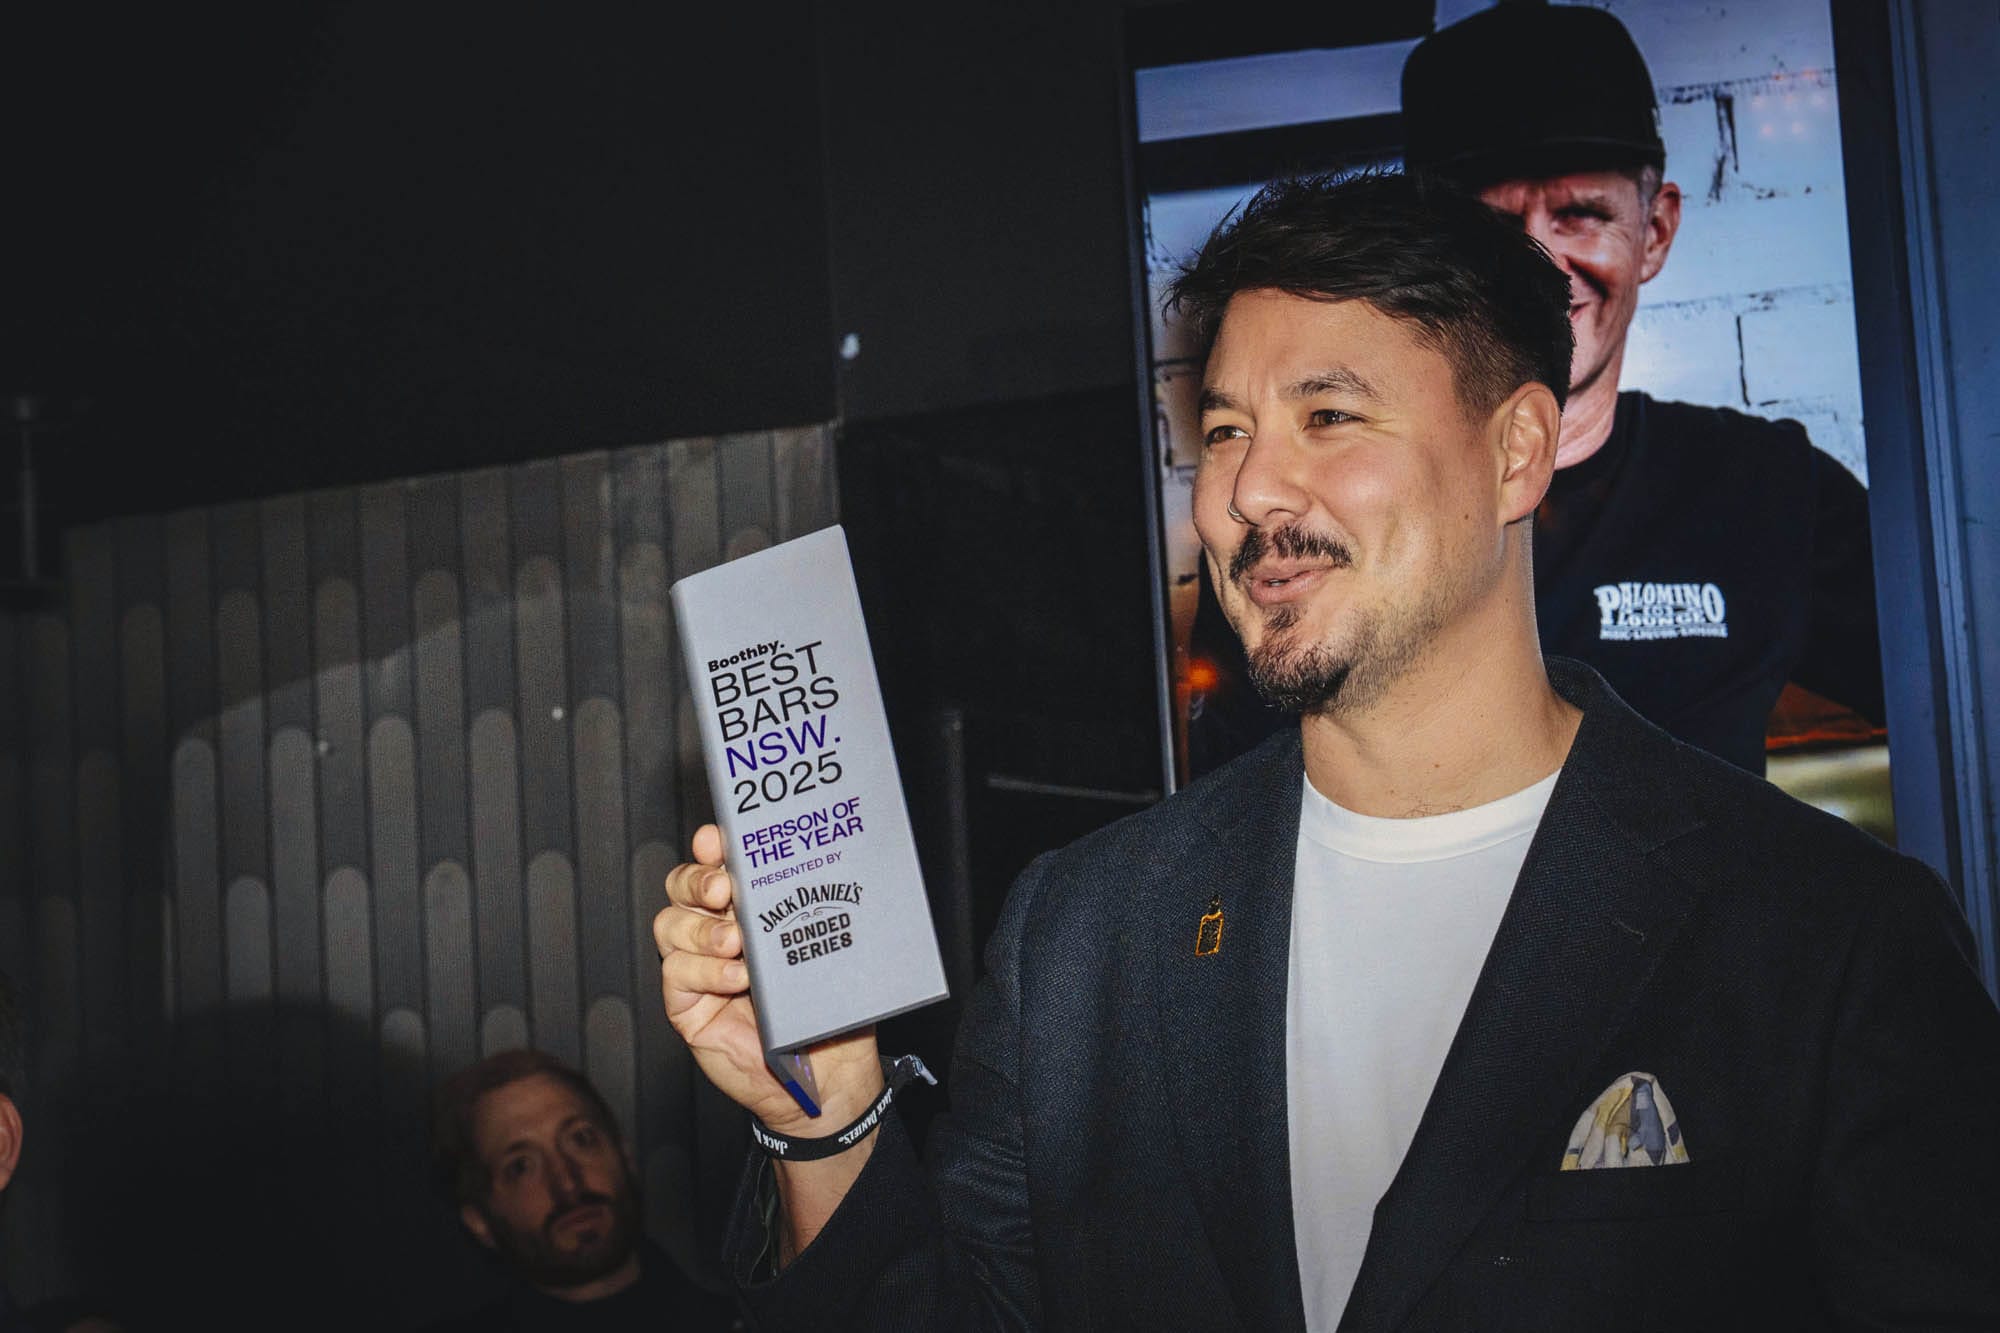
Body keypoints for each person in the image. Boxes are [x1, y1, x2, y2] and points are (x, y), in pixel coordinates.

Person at [654, 170, 2000, 1328]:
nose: (1247, 490)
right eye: (1223, 431)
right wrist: (825, 1120)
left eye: (1329, 416)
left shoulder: (1824, 938)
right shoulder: (1083, 936)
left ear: (1517, 450)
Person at [1186, 2, 1883, 778]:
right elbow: (1236, 812)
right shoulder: (1315, 520)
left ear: (1654, 232)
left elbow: (1956, 693)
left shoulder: (1764, 487)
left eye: (1581, 215)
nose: (1542, 264)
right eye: (1493, 226)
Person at [426, 1048, 738, 1332]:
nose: (567, 1182)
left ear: (624, 1154)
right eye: (521, 1166)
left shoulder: (746, 1323)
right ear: (479, 1220)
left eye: (581, 1139)